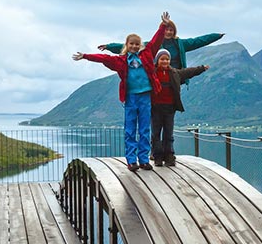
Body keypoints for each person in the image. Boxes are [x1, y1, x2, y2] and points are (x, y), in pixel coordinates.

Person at [98, 18, 223, 159]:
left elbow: (198, 41)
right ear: (162, 30)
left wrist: (215, 36)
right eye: (166, 29)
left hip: (173, 80)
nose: (168, 32)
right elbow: (130, 45)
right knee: (155, 122)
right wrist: (109, 46)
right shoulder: (153, 46)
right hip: (157, 81)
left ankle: (169, 153)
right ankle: (155, 153)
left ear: (174, 31)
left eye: (171, 30)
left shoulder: (180, 44)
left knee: (168, 124)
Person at [72, 12, 170, 172]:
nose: (134, 46)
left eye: (137, 44)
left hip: (145, 96)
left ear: (140, 45)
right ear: (126, 45)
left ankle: (144, 159)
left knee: (145, 129)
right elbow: (103, 58)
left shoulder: (147, 54)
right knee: (130, 129)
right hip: (131, 98)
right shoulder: (120, 60)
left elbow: (156, 41)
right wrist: (86, 56)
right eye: (131, 44)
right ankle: (132, 160)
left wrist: (163, 25)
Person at [151, 48, 209, 166]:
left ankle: (169, 155)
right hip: (155, 108)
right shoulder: (152, 73)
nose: (165, 61)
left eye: (167, 59)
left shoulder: (175, 73)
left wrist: (202, 68)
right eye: (162, 59)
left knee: (168, 133)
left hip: (170, 108)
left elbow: (189, 72)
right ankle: (157, 156)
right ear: (157, 60)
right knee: (155, 134)